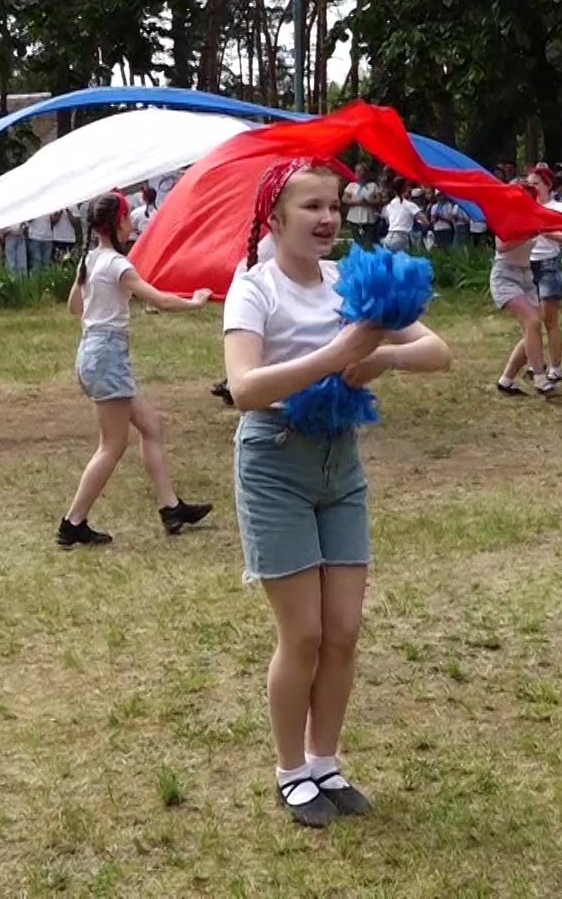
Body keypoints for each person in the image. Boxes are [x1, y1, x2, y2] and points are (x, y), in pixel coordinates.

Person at [222, 159, 452, 827]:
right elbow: (243, 389)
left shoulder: (348, 282)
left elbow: (438, 351)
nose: (328, 219)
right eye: (311, 207)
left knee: (344, 631)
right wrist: (336, 353)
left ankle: (326, 761)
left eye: (335, 205)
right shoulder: (253, 290)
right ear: (276, 218)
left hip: (339, 466)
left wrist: (378, 356)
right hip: (274, 463)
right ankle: (290, 771)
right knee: (305, 633)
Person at [59, 193, 214, 547]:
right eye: (127, 218)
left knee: (151, 426)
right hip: (107, 357)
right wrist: (195, 302)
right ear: (119, 223)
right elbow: (157, 299)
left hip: (94, 354)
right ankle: (72, 523)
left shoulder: (92, 259)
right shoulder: (116, 264)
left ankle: (171, 508)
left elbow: (73, 306)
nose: (131, 224)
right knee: (112, 446)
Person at [501, 169, 562, 385]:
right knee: (530, 323)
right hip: (526, 266)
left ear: (547, 186)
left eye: (537, 184)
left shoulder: (556, 208)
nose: (533, 188)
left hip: (548, 265)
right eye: (530, 184)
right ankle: (537, 365)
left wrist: (546, 229)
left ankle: (556, 367)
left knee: (548, 320)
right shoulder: (524, 208)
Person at [491, 172, 559, 397]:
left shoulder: (532, 217)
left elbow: (557, 233)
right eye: (524, 195)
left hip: (526, 277)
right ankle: (540, 377)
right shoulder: (505, 216)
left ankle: (506, 380)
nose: (529, 200)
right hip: (505, 277)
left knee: (532, 329)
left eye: (531, 195)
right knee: (531, 321)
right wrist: (532, 231)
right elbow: (502, 245)